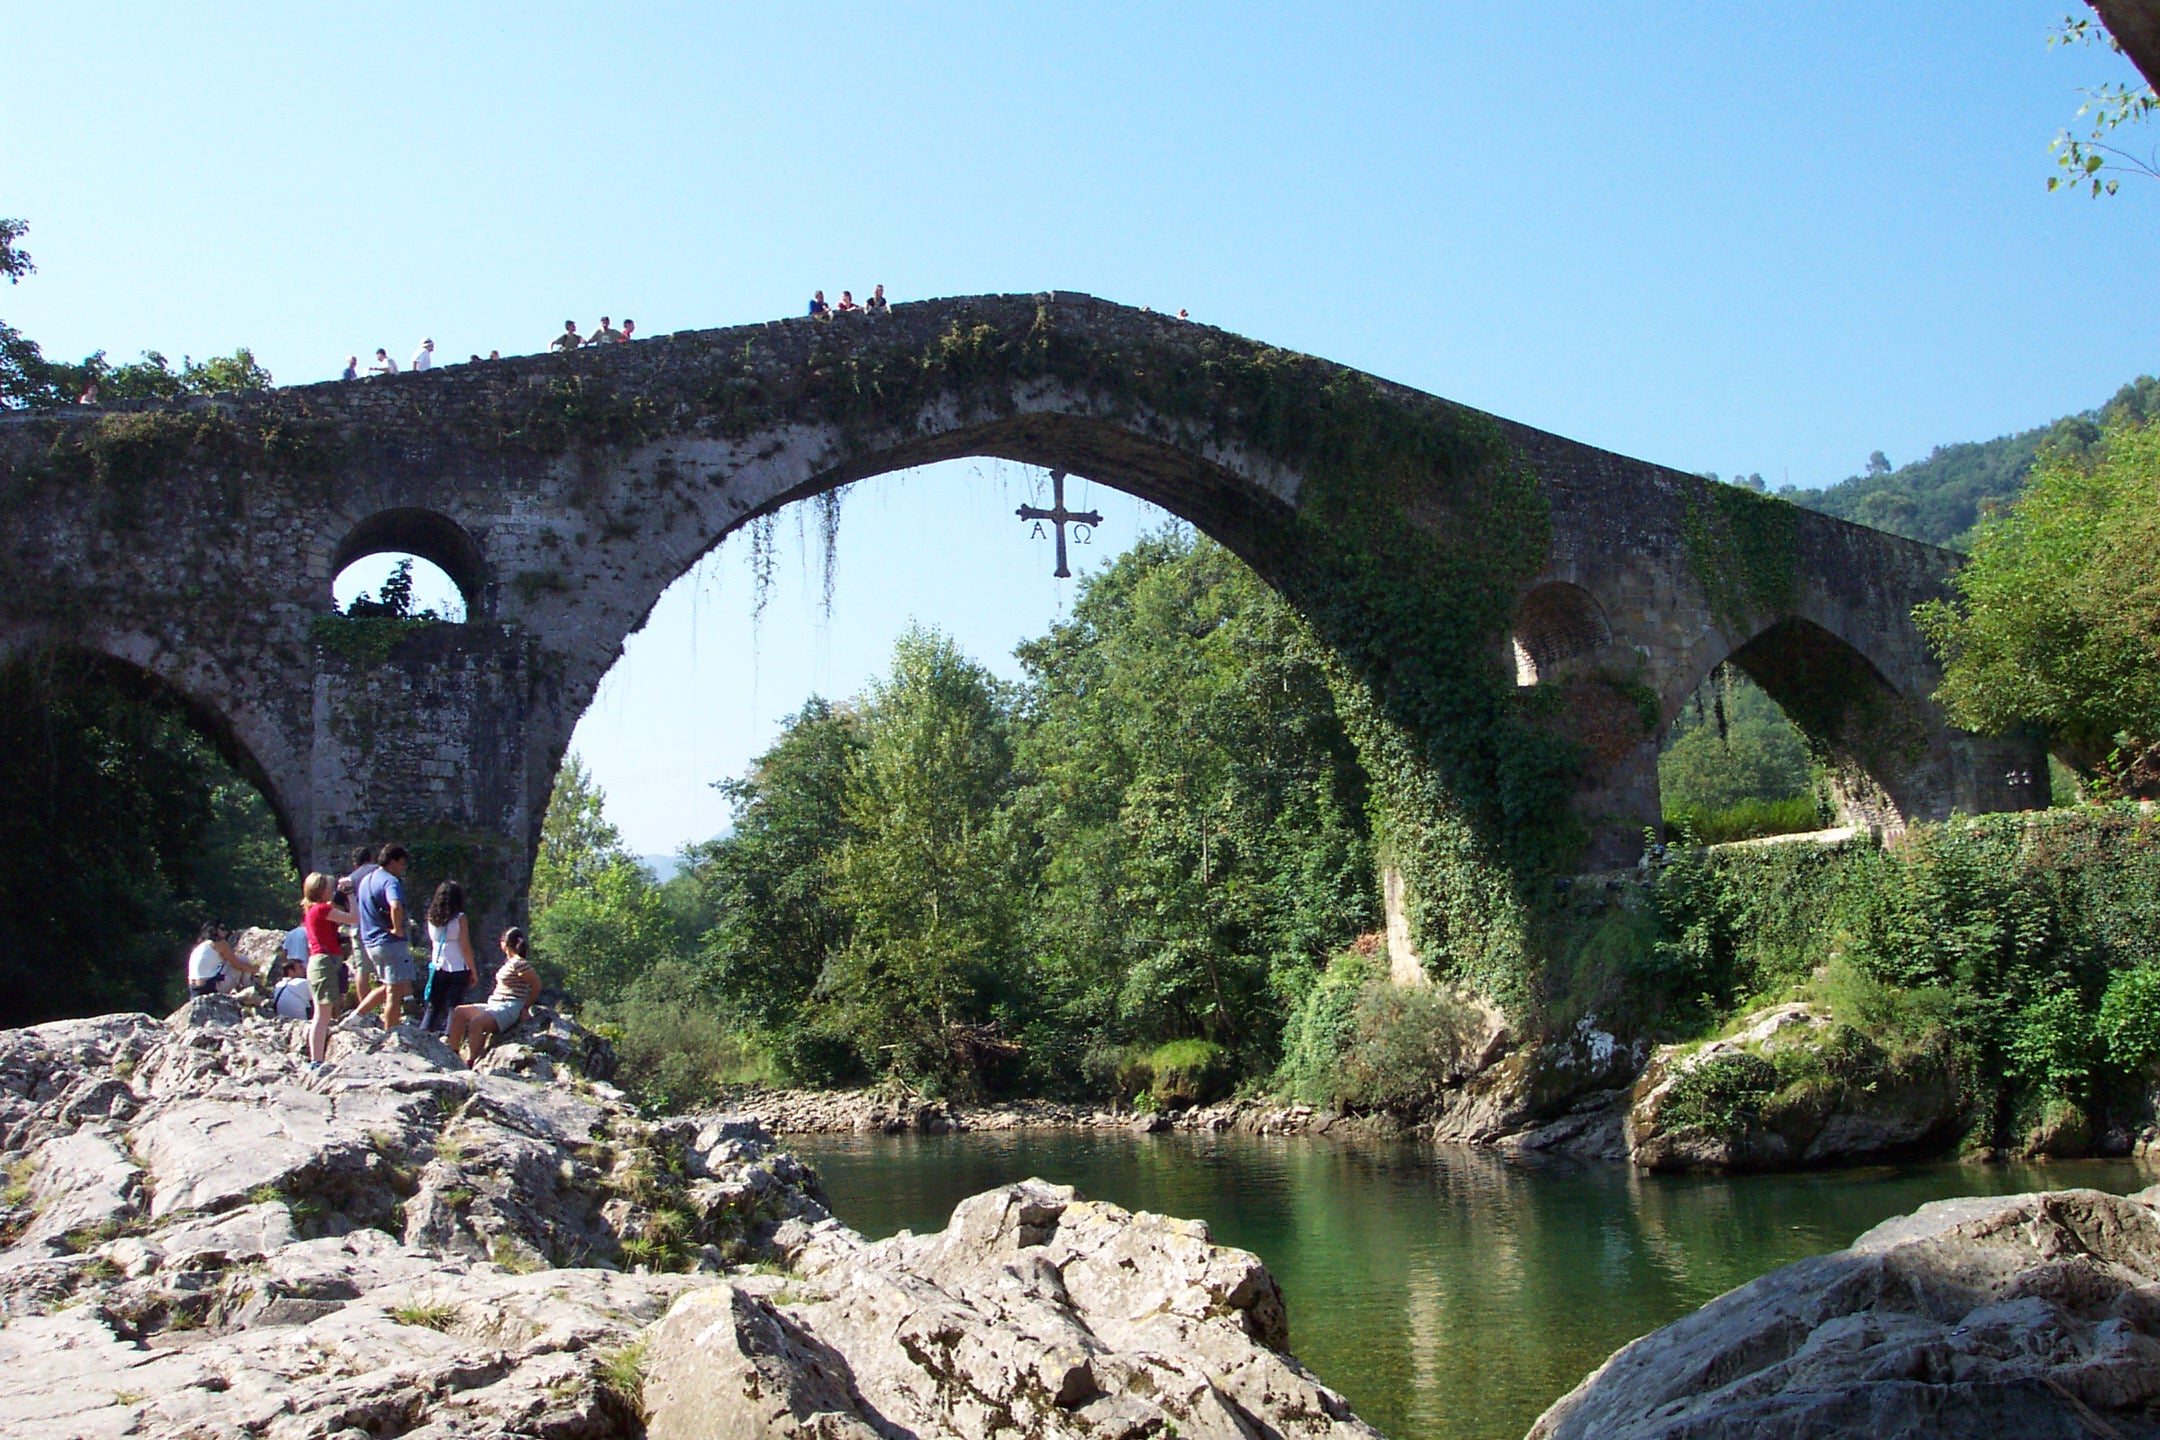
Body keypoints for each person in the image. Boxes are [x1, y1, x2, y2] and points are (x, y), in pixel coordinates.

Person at [447, 928, 540, 1066]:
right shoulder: (510, 962)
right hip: (495, 1004)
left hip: (509, 1005)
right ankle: (452, 1053)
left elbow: (536, 984)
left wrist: (525, 1007)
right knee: (460, 1012)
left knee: (477, 1022)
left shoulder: (519, 963)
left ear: (506, 943)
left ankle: (471, 1061)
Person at [352, 844, 416, 1028]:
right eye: (402, 864)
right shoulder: (390, 881)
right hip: (390, 943)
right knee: (394, 994)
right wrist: (397, 929)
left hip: (371, 942)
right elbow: (395, 905)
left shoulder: (366, 880)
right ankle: (391, 1033)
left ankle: (354, 1018)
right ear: (392, 862)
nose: (403, 868)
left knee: (388, 986)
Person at [300, 871, 355, 1064]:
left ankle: (318, 1058)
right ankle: (317, 1060)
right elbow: (353, 918)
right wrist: (350, 894)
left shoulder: (312, 910)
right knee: (322, 1015)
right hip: (325, 963)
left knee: (322, 1013)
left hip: (320, 962)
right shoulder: (322, 910)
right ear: (321, 890)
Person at [420, 880, 475, 1034]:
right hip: (458, 967)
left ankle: (422, 1035)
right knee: (455, 1007)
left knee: (433, 1006)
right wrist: (473, 970)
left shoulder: (431, 917)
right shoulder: (459, 918)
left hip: (438, 965)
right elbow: (465, 946)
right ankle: (451, 1042)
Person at [338, 847, 379, 1007]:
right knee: (386, 968)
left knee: (362, 969)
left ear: (355, 864)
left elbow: (336, 904)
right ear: (371, 858)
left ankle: (365, 1009)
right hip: (378, 926)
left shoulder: (350, 879)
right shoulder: (379, 873)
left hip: (358, 927)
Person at [185, 922, 246, 998]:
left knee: (227, 965)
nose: (226, 932)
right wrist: (258, 969)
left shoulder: (200, 946)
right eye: (222, 929)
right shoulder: (220, 944)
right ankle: (249, 987)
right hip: (209, 988)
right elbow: (238, 965)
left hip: (194, 991)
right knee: (243, 960)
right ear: (214, 930)